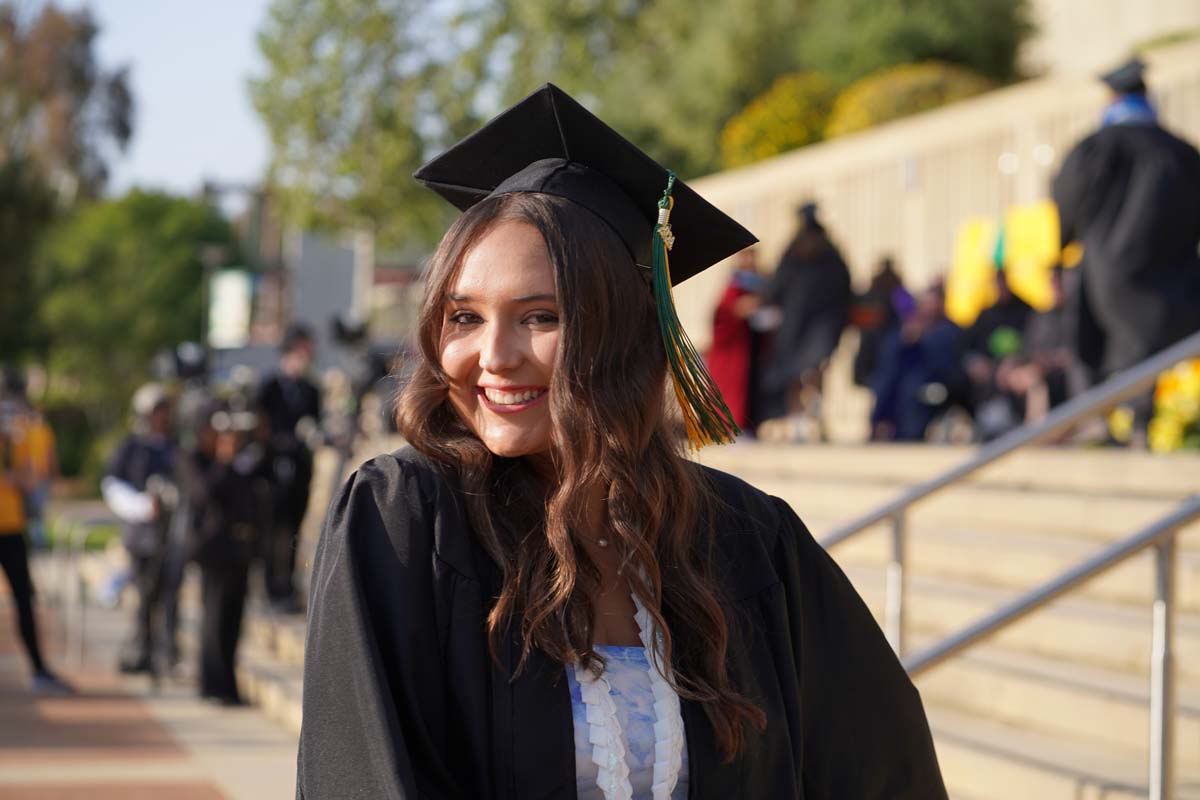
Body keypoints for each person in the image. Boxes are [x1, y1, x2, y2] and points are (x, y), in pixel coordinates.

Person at [296, 84, 946, 800]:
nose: (494, 354)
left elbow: (883, 767)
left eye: (540, 317)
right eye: (464, 317)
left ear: (625, 334)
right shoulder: (407, 522)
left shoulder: (746, 541)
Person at [1052, 56, 1200, 445]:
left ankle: (1098, 420)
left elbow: (1066, 202)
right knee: (1154, 348)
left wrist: (1062, 244)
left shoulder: (1095, 148)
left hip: (1106, 269)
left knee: (1093, 343)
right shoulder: (1181, 152)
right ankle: (1139, 423)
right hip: (1175, 270)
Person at [179, 401, 270, 706]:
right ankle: (212, 684)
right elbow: (204, 494)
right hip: (214, 550)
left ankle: (228, 685)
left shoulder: (243, 459)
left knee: (234, 620)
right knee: (214, 618)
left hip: (240, 548)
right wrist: (222, 460)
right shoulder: (192, 458)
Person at [102, 383, 183, 674]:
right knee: (145, 596)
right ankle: (143, 649)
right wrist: (141, 505)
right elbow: (112, 485)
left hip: (171, 536)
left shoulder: (175, 446)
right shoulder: (132, 448)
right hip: (142, 537)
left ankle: (169, 651)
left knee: (171, 594)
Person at [0, 371, 72, 694]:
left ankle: (39, 670)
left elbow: (35, 476)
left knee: (24, 599)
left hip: (11, 528)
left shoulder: (22, 434)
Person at [758, 202, 852, 440]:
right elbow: (776, 288)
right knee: (792, 374)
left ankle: (815, 418)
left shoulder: (831, 257)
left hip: (822, 325)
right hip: (794, 326)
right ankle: (798, 420)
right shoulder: (792, 255)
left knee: (814, 369)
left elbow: (844, 292)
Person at [257, 324, 321, 613]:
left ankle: (288, 584)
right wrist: (283, 441)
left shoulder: (310, 389)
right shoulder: (270, 387)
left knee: (294, 528)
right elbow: (260, 429)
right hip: (273, 469)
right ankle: (271, 587)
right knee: (273, 529)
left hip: (300, 468)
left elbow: (315, 424)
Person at [870, 281, 966, 442]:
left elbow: (947, 364)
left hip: (939, 382)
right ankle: (880, 428)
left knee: (912, 388)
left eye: (933, 303)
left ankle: (908, 436)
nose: (929, 308)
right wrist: (905, 340)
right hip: (908, 379)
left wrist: (926, 340)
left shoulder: (950, 331)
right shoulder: (911, 329)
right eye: (926, 303)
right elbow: (889, 357)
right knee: (886, 382)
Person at [960, 266, 1032, 441]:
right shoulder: (986, 314)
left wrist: (1015, 361)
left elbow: (1033, 344)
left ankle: (1007, 421)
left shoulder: (1025, 311)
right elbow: (967, 346)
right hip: (989, 369)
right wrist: (974, 362)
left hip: (1017, 366)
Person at [705, 248, 767, 434]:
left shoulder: (761, 283)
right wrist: (742, 309)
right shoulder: (734, 285)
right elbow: (723, 313)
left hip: (751, 345)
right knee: (730, 391)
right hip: (734, 348)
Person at [851, 256, 911, 389]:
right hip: (870, 351)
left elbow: (910, 317)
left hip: (891, 350)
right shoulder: (871, 295)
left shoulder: (900, 295)